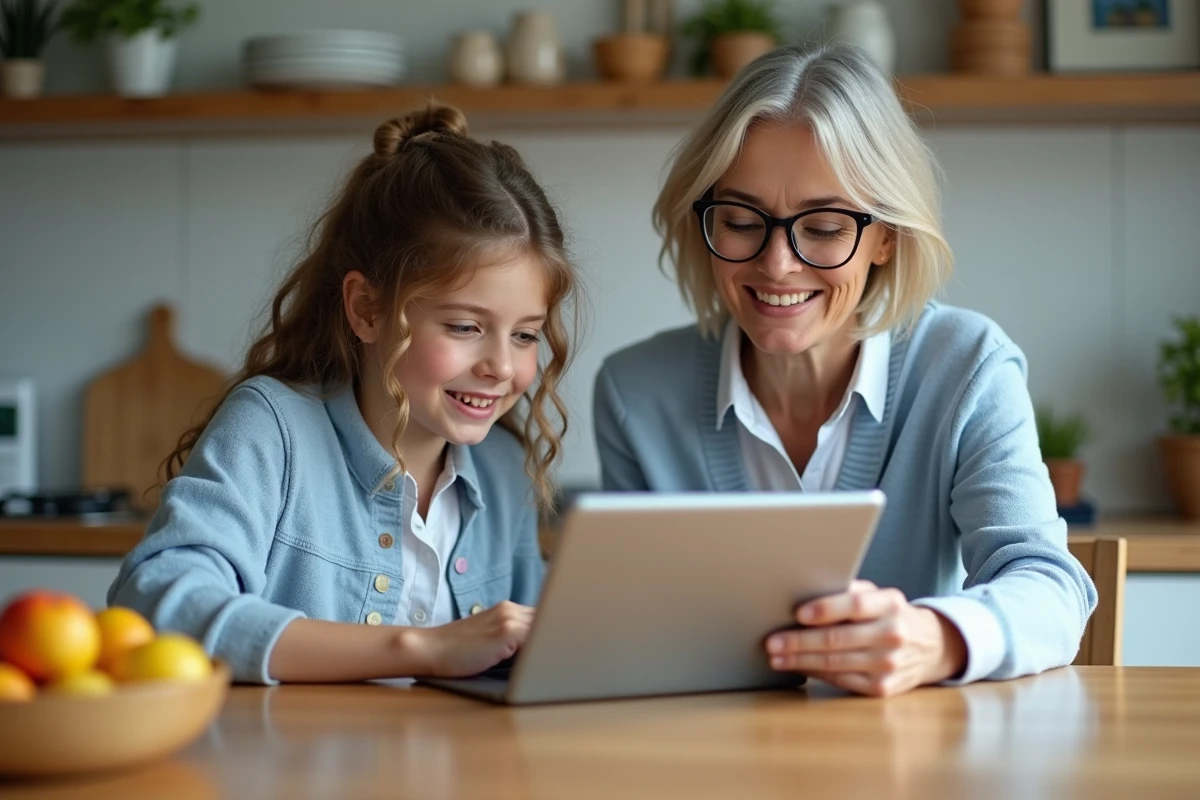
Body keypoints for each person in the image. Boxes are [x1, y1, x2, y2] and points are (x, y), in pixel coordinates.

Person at [592, 45, 1096, 697]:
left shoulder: (966, 368)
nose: (777, 264)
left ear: (887, 235)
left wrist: (935, 639)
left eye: (825, 228)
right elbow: (633, 626)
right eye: (741, 221)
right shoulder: (633, 394)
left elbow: (1051, 587)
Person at [109, 103, 579, 685]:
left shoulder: (505, 467)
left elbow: (538, 662)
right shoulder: (272, 429)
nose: (502, 367)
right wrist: (423, 648)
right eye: (464, 327)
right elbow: (155, 606)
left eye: (527, 334)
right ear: (367, 309)